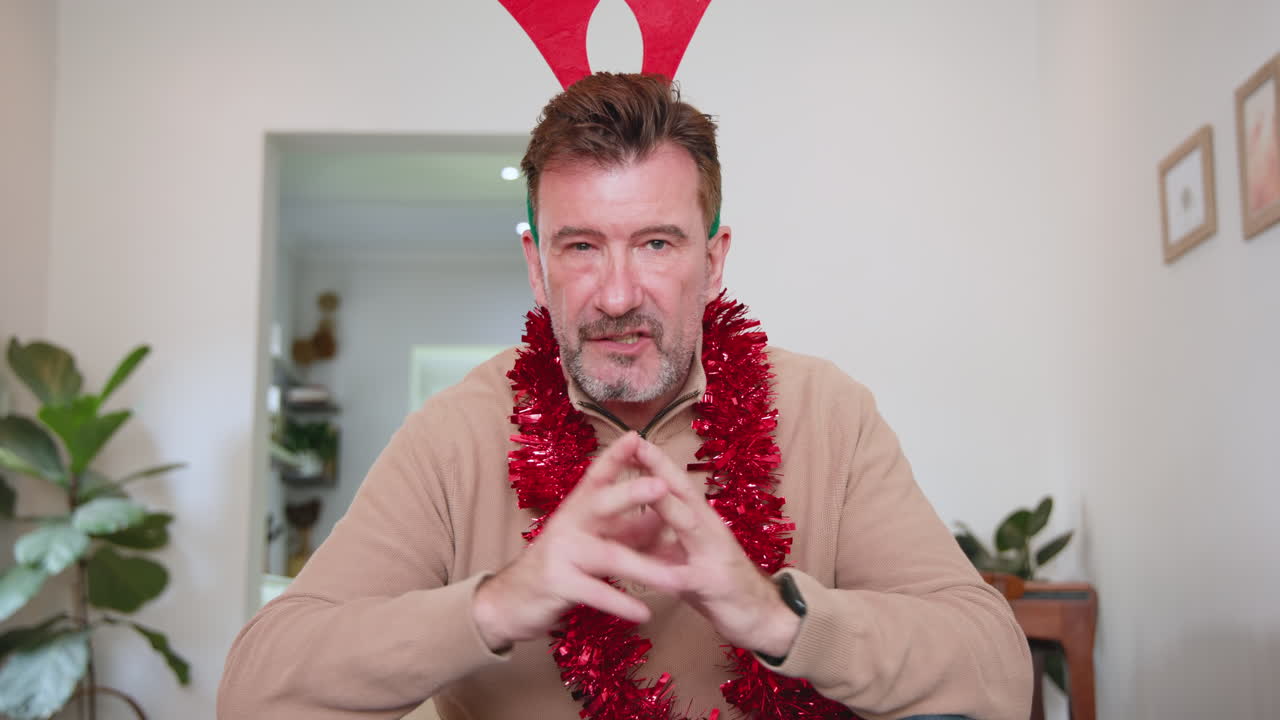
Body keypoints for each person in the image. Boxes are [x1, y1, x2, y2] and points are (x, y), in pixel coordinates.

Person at [218, 73, 1032, 720]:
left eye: (655, 243)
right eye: (581, 246)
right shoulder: (454, 436)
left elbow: (995, 673)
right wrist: (502, 604)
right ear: (537, 266)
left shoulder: (828, 413)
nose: (616, 295)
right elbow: (255, 694)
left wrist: (779, 619)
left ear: (713, 262)